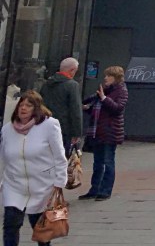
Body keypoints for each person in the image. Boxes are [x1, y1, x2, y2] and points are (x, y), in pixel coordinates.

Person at [0, 91, 65, 246]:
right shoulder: (7, 129)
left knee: (41, 229)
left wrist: (59, 183)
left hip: (42, 185)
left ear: (36, 108)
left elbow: (59, 156)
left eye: (28, 105)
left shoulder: (49, 125)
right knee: (10, 225)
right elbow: (3, 157)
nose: (23, 108)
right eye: (21, 105)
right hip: (14, 185)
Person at [80, 65, 128, 201]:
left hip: (110, 132)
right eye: (105, 75)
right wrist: (87, 108)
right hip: (98, 131)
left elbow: (118, 108)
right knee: (97, 163)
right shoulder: (105, 90)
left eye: (109, 76)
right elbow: (99, 109)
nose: (105, 78)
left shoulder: (121, 91)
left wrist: (104, 98)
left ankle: (105, 191)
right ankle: (94, 189)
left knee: (108, 162)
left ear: (116, 78)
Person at [39, 56, 83, 156]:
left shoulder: (47, 83)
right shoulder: (72, 85)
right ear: (72, 70)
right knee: (60, 156)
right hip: (63, 128)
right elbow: (75, 110)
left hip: (44, 124)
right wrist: (77, 133)